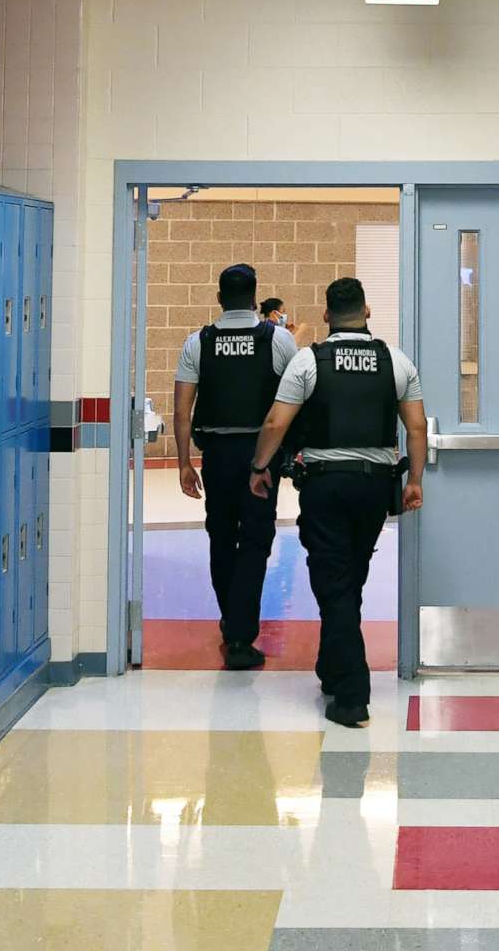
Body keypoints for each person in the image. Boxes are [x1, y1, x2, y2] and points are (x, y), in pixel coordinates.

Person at [246, 277, 427, 727]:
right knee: (347, 582)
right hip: (375, 487)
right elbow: (417, 428)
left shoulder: (309, 361)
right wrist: (416, 480)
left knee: (335, 584)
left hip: (326, 486)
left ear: (326, 316)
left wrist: (259, 467)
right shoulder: (395, 361)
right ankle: (331, 668)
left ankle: (351, 696)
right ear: (367, 312)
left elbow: (275, 421)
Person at [173, 263, 298, 670]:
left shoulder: (199, 342)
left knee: (221, 536)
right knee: (257, 540)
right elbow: (293, 404)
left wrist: (184, 464)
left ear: (219, 298)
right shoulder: (277, 339)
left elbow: (182, 410)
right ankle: (241, 634)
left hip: (218, 455)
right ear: (255, 296)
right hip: (261, 456)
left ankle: (233, 622)